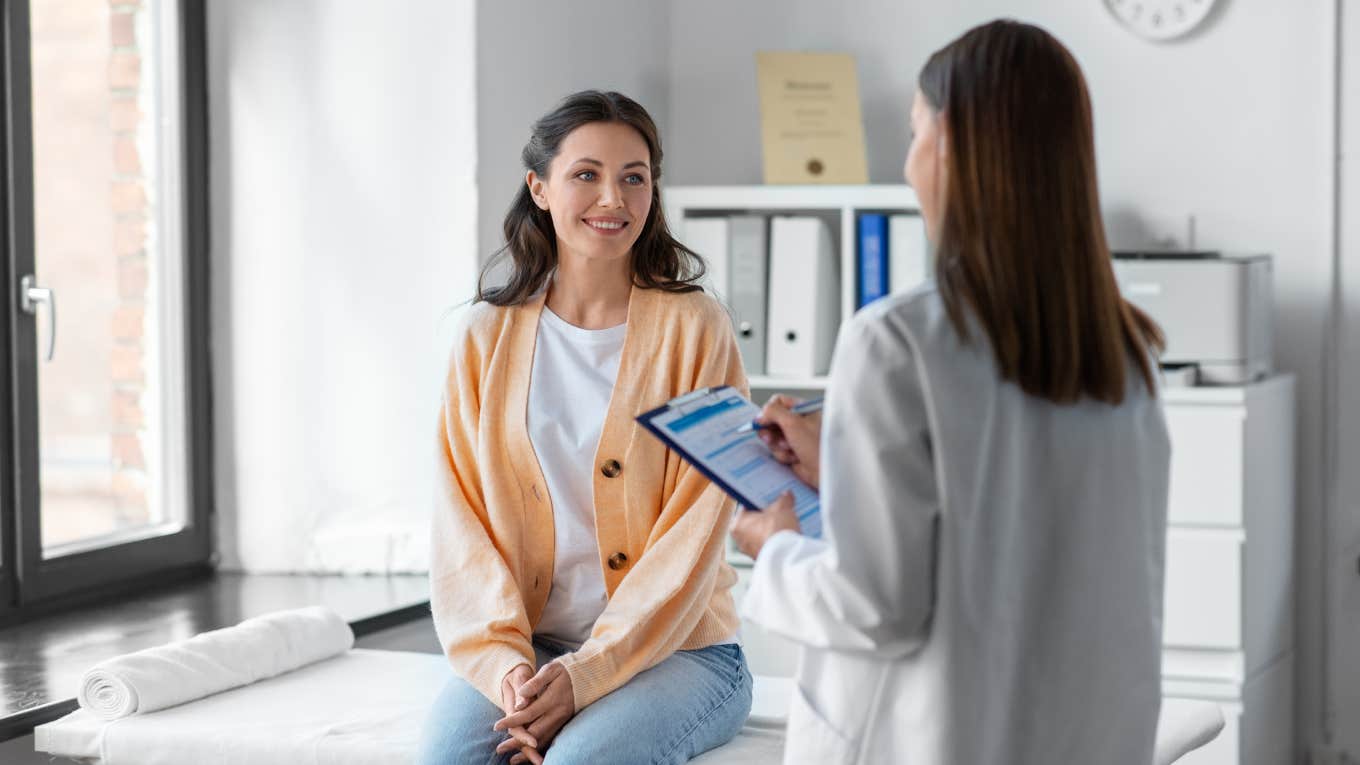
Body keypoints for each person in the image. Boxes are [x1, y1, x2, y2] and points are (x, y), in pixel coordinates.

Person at [731, 20, 1172, 765]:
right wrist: (842, 475)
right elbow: (1012, 524)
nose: (908, 167)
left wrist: (773, 551)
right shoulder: (1126, 351)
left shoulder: (895, 341)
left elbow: (875, 608)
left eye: (914, 134)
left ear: (957, 143)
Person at [417, 90, 752, 765]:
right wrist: (505, 667)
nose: (614, 198)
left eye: (635, 176)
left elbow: (697, 530)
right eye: (586, 174)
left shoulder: (698, 329)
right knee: (452, 757)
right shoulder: (484, 334)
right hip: (530, 647)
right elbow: (461, 525)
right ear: (539, 187)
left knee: (581, 761)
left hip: (682, 651)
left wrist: (586, 675)